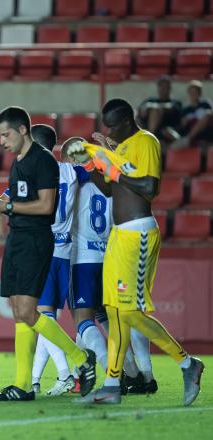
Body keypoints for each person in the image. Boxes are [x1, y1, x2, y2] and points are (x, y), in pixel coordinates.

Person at [66, 98, 204, 405]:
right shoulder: (122, 148)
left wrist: (113, 168)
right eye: (106, 125)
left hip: (138, 232)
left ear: (128, 120)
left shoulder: (146, 142)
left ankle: (187, 363)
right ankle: (112, 385)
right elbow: (107, 189)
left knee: (129, 312)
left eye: (114, 124)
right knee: (115, 310)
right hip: (118, 235)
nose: (109, 130)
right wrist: (92, 163)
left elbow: (149, 188)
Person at [0, 106, 97, 402]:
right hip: (18, 238)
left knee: (29, 312)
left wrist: (4, 206)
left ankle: (80, 359)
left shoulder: (43, 161)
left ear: (22, 130)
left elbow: (45, 207)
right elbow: (6, 204)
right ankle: (22, 385)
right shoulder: (19, 162)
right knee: (20, 313)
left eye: (6, 134)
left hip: (35, 240)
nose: (2, 141)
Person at [28, 125, 88, 397]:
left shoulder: (32, 171)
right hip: (68, 253)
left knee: (41, 317)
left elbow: (5, 203)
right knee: (47, 318)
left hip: (43, 252)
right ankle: (37, 379)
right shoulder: (72, 171)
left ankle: (67, 373)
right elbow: (97, 170)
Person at [137, 76, 182, 144]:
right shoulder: (151, 100)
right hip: (147, 129)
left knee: (156, 110)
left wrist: (152, 106)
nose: (163, 88)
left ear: (170, 88)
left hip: (166, 130)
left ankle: (150, 139)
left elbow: (171, 108)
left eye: (165, 86)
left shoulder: (175, 102)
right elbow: (141, 110)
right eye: (161, 86)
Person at [170, 80, 213, 148]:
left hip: (205, 132)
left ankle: (187, 139)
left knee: (208, 114)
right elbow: (182, 126)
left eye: (195, 92)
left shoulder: (206, 104)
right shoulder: (186, 110)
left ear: (200, 93)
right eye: (191, 92)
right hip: (191, 133)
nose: (193, 94)